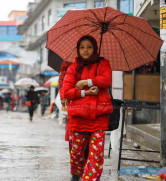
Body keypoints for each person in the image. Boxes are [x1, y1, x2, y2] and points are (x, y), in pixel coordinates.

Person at [63, 35, 112, 181]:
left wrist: (87, 81)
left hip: (99, 117)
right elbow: (66, 91)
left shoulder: (103, 64)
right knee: (77, 153)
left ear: (95, 49)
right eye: (82, 47)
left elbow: (107, 80)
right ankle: (77, 175)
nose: (86, 50)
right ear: (78, 49)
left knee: (96, 154)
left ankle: (90, 178)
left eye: (89, 47)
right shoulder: (73, 68)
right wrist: (85, 92)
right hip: (78, 118)